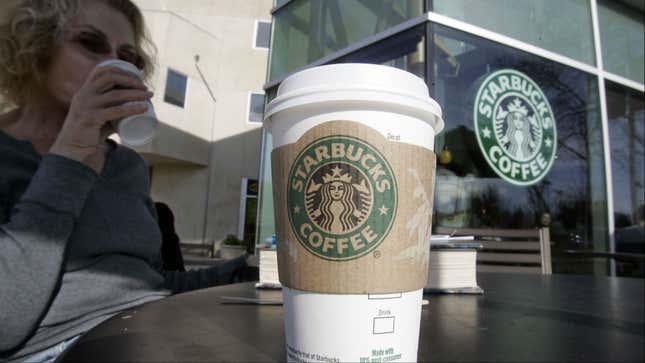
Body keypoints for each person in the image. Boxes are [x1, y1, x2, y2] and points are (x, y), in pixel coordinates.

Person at [0, 1, 251, 361]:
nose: (112, 65)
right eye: (90, 43)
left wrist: (243, 271)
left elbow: (149, 284)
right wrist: (72, 150)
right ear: (37, 47)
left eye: (127, 56)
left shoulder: (127, 166)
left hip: (153, 329)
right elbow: (6, 321)